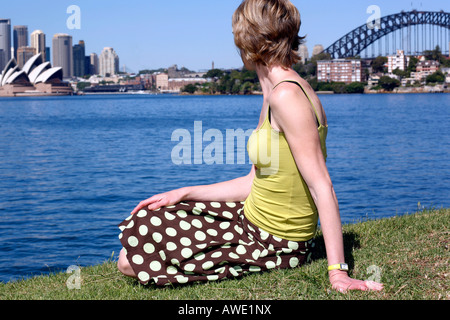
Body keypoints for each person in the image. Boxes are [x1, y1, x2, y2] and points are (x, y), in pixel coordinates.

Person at [117, 0, 383, 293]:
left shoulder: (287, 98)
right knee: (148, 217)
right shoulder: (275, 93)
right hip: (249, 217)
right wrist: (184, 192)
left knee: (129, 262)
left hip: (273, 240)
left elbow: (322, 186)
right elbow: (254, 181)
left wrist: (337, 272)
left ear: (249, 41)